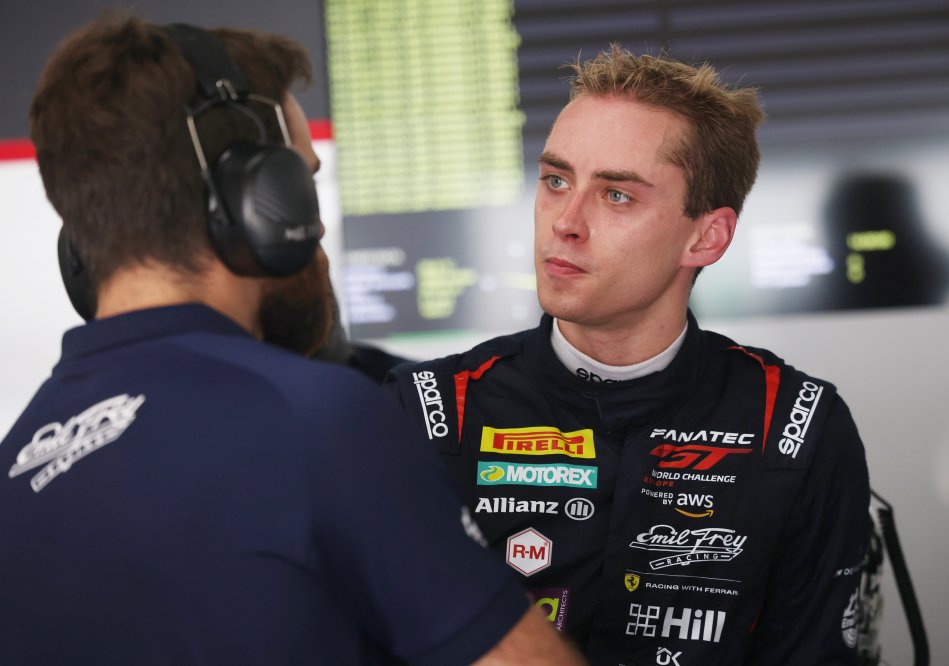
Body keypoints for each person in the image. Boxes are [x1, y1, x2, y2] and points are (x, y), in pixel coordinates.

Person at [0, 13, 584, 666]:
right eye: (301, 182)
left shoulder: (14, 466)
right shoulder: (317, 418)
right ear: (258, 200)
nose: (317, 228)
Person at [386, 45, 871, 664]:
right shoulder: (428, 412)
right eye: (556, 181)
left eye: (616, 195)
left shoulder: (796, 427)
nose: (565, 221)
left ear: (707, 236)